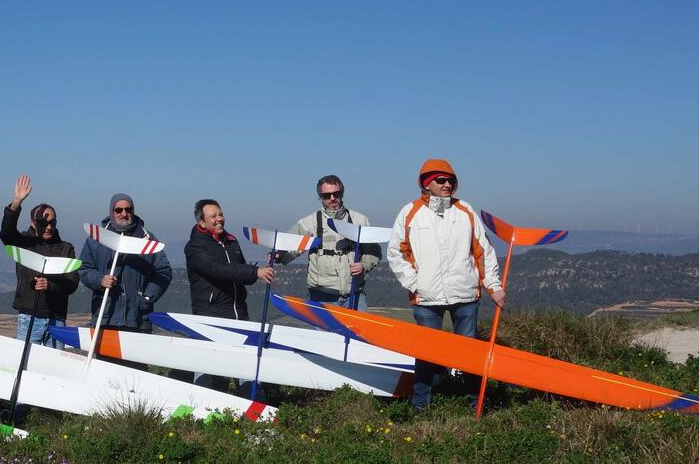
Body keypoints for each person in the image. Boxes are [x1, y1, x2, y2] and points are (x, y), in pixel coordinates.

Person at [385, 159, 504, 411]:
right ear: (426, 183)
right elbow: (396, 252)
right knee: (426, 354)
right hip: (426, 298)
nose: (447, 184)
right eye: (441, 180)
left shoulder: (465, 210)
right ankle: (421, 406)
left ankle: (476, 404)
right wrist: (416, 284)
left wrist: (493, 286)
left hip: (465, 296)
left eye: (451, 180)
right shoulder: (410, 212)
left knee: (469, 353)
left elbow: (483, 250)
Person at [276, 174, 382, 309]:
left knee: (361, 324)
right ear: (320, 197)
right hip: (322, 297)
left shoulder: (360, 220)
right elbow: (290, 245)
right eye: (326, 196)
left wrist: (363, 265)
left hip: (355, 295)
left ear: (342, 194)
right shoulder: (309, 223)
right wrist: (279, 255)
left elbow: (374, 251)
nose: (332, 198)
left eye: (336, 194)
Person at [0, 174, 79, 346]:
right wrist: (16, 202)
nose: (49, 227)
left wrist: (50, 285)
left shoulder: (66, 248)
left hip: (56, 318)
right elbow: (6, 234)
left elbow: (72, 283)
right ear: (33, 223)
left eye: (53, 222)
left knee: (54, 362)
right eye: (43, 223)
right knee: (26, 359)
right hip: (29, 316)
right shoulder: (24, 242)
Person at [78, 193, 172, 339]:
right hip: (106, 316)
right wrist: (100, 280)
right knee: (105, 355)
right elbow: (84, 268)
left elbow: (163, 271)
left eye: (128, 210)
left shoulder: (147, 239)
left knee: (136, 355)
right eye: (118, 210)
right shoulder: (96, 239)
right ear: (111, 211)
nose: (124, 214)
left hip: (138, 318)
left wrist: (147, 297)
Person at [185, 199, 274, 320]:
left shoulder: (231, 241)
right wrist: (255, 271)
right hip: (212, 316)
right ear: (202, 223)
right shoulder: (194, 247)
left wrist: (262, 272)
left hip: (240, 313)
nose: (219, 219)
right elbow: (217, 269)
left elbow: (240, 273)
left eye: (221, 214)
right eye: (213, 216)